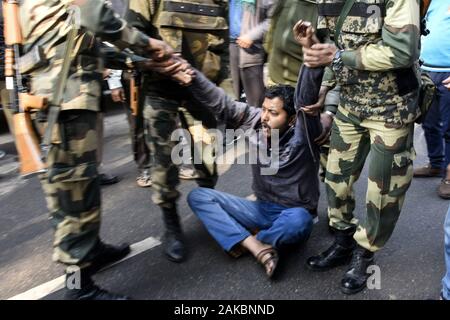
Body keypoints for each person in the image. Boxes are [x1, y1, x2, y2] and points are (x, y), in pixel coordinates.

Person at [19, 0, 186, 300]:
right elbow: (96, 17)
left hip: (65, 98)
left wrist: (139, 61)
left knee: (81, 187)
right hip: (64, 103)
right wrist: (149, 44)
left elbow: (84, 43)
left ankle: (91, 251)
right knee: (72, 198)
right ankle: (78, 290)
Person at [185, 26, 326, 276]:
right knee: (199, 197)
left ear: (292, 119)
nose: (265, 117)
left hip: (293, 212)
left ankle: (248, 238)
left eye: (274, 113)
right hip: (260, 208)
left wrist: (309, 51)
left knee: (300, 224)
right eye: (264, 109)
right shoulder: (254, 120)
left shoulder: (304, 134)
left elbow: (305, 100)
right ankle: (256, 245)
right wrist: (191, 75)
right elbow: (222, 103)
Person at [302, 0, 421, 295]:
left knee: (383, 192)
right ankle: (343, 240)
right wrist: (324, 87)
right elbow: (334, 43)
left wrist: (340, 56)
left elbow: (403, 51)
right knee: (335, 180)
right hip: (350, 105)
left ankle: (365, 253)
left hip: (391, 109)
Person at [125, 0, 229, 263]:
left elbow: (222, 46)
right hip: (161, 93)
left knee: (207, 161)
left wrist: (224, 94)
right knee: (164, 164)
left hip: (201, 92)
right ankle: (172, 227)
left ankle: (211, 217)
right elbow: (128, 37)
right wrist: (145, 62)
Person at [414, 1, 450, 199]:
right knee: (428, 122)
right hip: (427, 71)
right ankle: (436, 164)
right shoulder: (431, 1)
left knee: (449, 129)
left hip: (448, 73)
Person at [229, 0, 276, 107]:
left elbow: (273, 20)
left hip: (252, 50)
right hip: (231, 46)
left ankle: (258, 122)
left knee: (255, 101)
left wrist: (252, 35)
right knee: (235, 98)